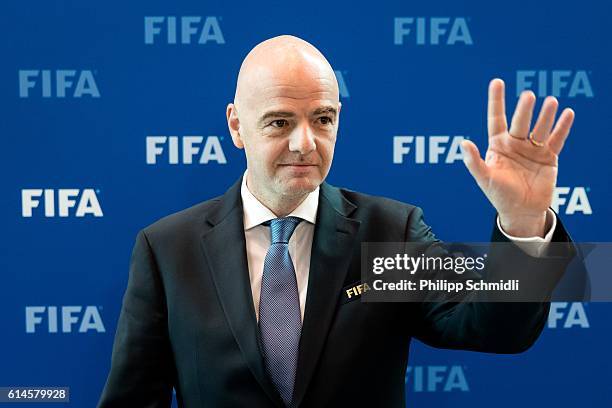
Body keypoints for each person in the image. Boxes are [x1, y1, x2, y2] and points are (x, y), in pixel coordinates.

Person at [97, 35, 577, 407]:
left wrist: (522, 220)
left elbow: (497, 329)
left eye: (322, 119)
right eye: (280, 122)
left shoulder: (391, 233)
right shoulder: (168, 249)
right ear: (236, 126)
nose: (306, 143)